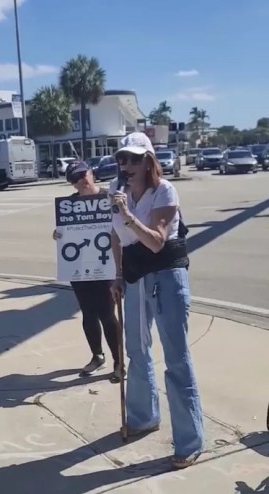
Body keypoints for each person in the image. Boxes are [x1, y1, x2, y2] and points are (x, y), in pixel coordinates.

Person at [108, 132, 203, 469]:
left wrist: (128, 214)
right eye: (122, 159)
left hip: (165, 275)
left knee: (175, 356)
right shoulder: (117, 193)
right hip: (134, 278)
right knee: (136, 348)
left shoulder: (164, 191)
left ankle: (189, 440)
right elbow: (116, 238)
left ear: (149, 161)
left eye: (134, 159)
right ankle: (143, 415)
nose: (127, 165)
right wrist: (117, 276)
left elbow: (157, 242)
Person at [52, 161, 123, 381]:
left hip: (106, 266)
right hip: (79, 268)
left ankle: (119, 362)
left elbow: (121, 226)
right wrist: (59, 234)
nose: (81, 181)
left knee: (107, 314)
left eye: (83, 175)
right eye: (75, 179)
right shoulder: (69, 205)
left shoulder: (107, 197)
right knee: (88, 314)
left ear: (91, 173)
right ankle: (97, 355)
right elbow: (64, 232)